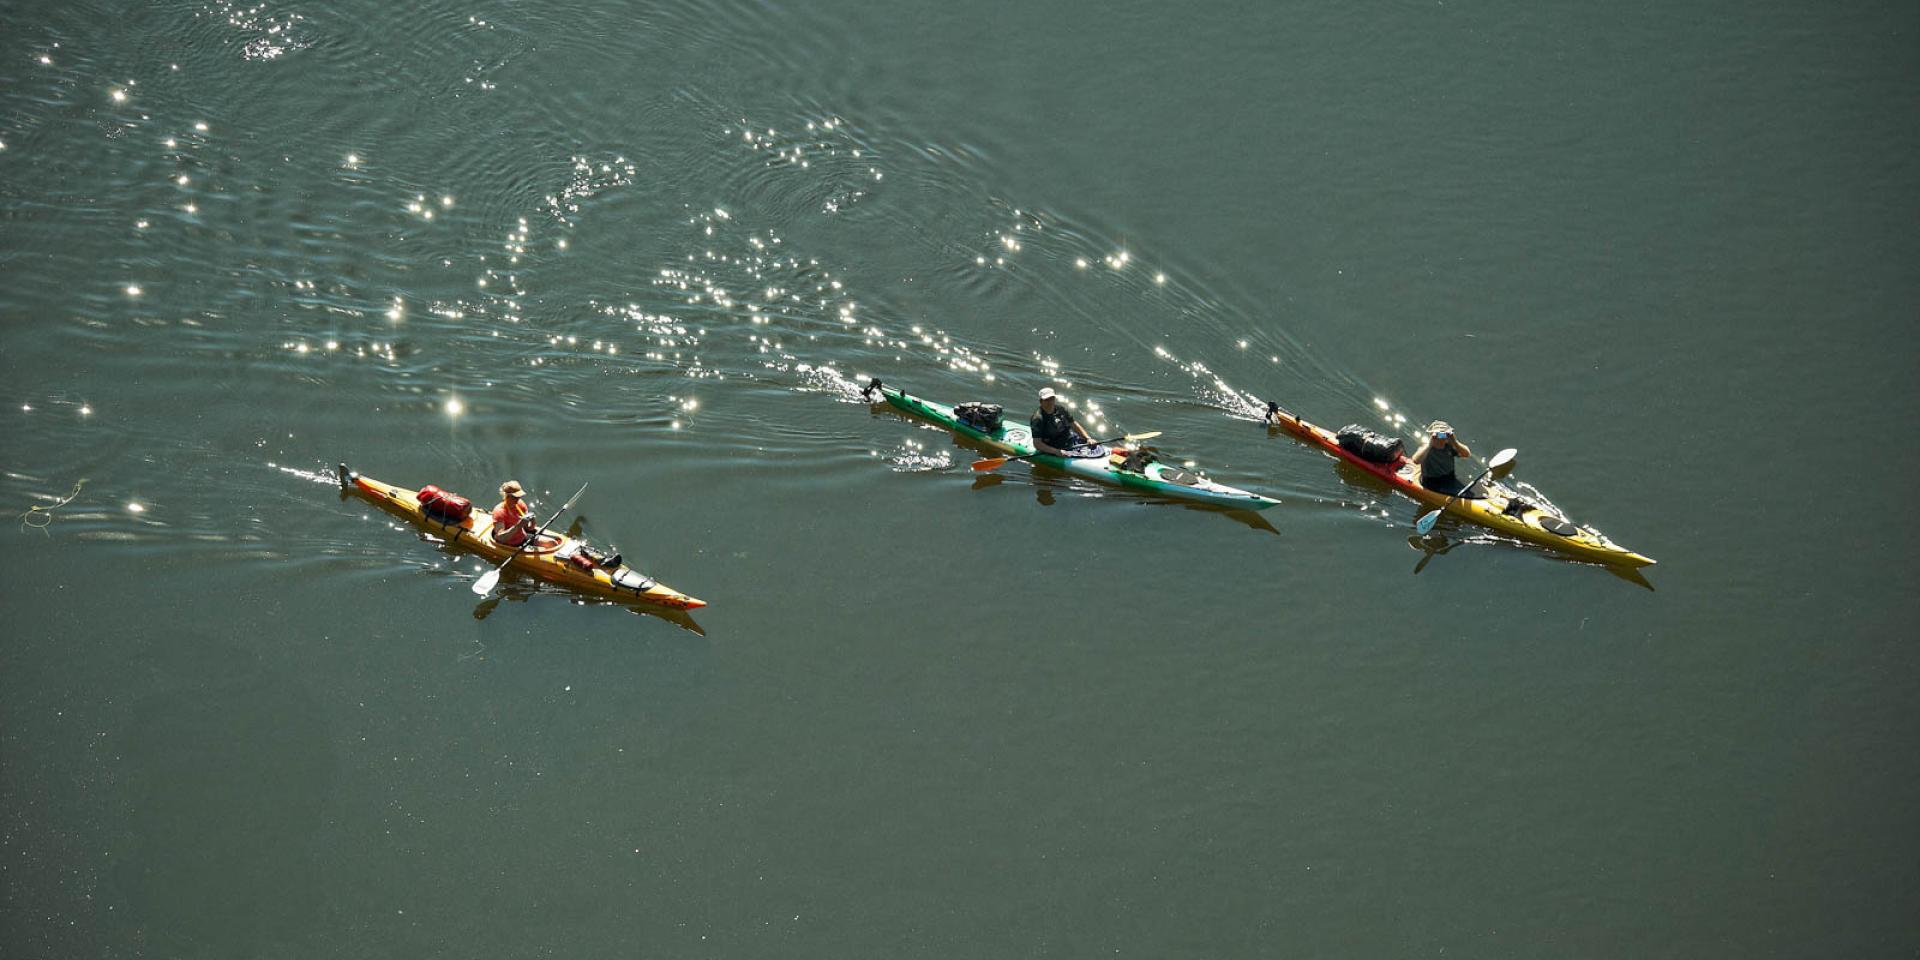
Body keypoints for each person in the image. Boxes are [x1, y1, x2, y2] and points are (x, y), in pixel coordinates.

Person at [1409, 420, 1484, 498]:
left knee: (1472, 492)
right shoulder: (1426, 449)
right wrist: (1430, 444)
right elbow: (1416, 460)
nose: (1442, 438)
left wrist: (1455, 441)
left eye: (1444, 435)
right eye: (1439, 435)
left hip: (1449, 478)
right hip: (1432, 481)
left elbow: (1466, 454)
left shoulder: (1449, 446)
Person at [1030, 387, 1095, 456]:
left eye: (1052, 399)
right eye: (1046, 400)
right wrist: (1057, 451)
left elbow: (1074, 424)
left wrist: (1088, 438)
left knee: (1094, 448)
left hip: (1068, 440)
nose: (1050, 402)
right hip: (1054, 446)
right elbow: (1037, 444)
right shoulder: (1038, 419)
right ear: (1041, 401)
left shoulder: (1060, 409)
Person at [490, 480, 539, 546]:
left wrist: (533, 521)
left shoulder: (520, 504)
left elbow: (528, 528)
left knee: (552, 542)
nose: (518, 499)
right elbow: (500, 538)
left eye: (519, 497)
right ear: (507, 496)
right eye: (515, 497)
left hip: (522, 539)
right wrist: (518, 526)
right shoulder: (499, 512)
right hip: (509, 545)